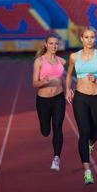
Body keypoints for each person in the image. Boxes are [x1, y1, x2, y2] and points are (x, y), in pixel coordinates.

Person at [65, 26, 97, 185]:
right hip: (80, 98)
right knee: (84, 132)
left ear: (95, 39)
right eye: (86, 37)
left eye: (92, 37)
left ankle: (91, 144)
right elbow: (69, 74)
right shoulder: (74, 56)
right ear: (81, 39)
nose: (89, 40)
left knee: (94, 133)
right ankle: (87, 171)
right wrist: (67, 89)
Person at [32, 34, 66, 171]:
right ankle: (44, 129)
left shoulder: (62, 61)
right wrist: (43, 82)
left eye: (56, 44)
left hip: (59, 98)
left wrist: (68, 89)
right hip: (43, 101)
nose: (54, 46)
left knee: (58, 126)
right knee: (46, 131)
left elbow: (62, 78)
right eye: (51, 43)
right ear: (46, 44)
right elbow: (34, 83)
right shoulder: (39, 61)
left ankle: (56, 158)